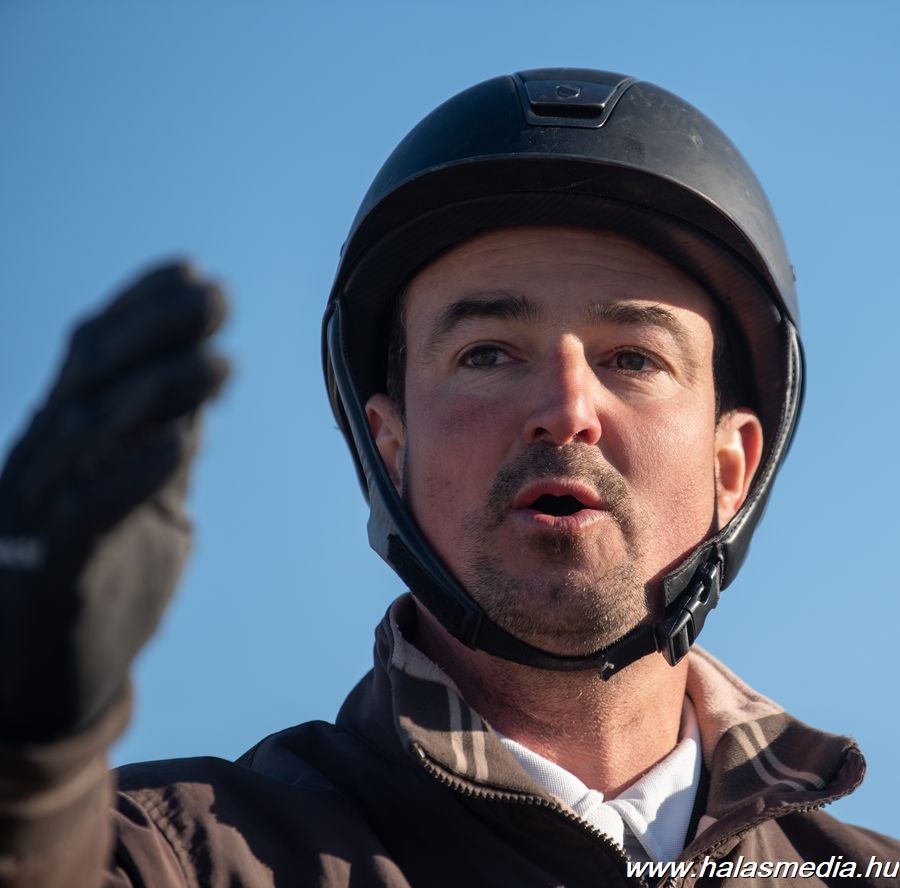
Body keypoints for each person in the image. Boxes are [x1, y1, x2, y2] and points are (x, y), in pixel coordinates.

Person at [0, 67, 897, 887]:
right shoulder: (180, 858)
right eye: (487, 353)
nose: (566, 409)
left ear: (732, 466)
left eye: (632, 357)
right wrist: (29, 771)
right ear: (390, 450)